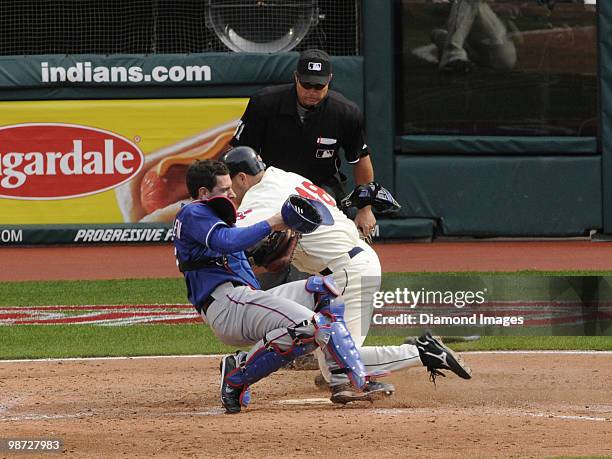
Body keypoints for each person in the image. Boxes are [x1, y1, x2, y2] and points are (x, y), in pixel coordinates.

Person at [220, 146, 473, 391]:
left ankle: (422, 352)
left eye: (230, 186)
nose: (230, 194)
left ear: (242, 177)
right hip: (350, 266)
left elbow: (231, 239)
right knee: (324, 349)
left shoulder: (260, 195)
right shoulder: (284, 176)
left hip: (345, 272)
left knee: (339, 364)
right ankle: (364, 369)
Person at [172, 159, 395, 413]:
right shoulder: (194, 212)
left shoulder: (215, 217)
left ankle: (346, 378)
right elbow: (226, 241)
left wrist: (282, 241)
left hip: (244, 299)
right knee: (312, 327)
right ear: (203, 193)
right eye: (224, 189)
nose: (232, 193)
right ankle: (237, 376)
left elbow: (247, 255)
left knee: (326, 290)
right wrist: (275, 221)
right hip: (227, 306)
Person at [229, 49, 377, 239]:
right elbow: (238, 153)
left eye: (319, 86)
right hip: (272, 186)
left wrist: (365, 209)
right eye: (306, 84)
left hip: (321, 187)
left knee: (335, 242)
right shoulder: (264, 103)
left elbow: (360, 160)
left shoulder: (346, 112)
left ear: (330, 79)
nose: (312, 92)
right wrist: (239, 200)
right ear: (296, 77)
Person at [432, 0, 517, 74]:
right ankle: (453, 56)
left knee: (504, 60)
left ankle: (445, 39)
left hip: (481, 25)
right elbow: (436, 7)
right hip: (460, 19)